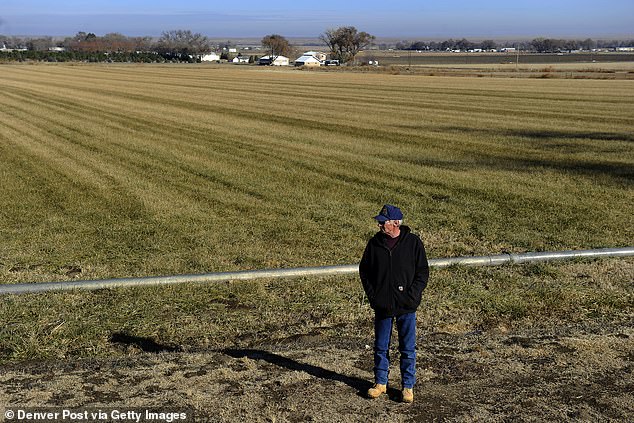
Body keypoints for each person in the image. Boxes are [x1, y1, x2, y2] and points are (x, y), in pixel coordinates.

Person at [359, 204, 429, 403]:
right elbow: (365, 271)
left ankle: (408, 386)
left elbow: (422, 272)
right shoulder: (374, 244)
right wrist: (374, 296)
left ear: (396, 223)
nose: (380, 225)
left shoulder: (414, 243)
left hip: (407, 306)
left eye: (384, 222)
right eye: (380, 222)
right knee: (381, 347)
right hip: (383, 306)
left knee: (407, 348)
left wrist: (412, 296)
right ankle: (380, 383)